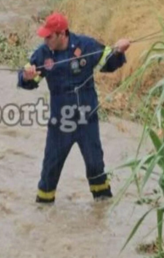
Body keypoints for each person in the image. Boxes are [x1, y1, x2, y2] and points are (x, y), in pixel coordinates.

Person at [18, 13, 130, 203]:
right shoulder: (43, 54)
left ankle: (102, 209)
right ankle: (43, 211)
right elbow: (25, 80)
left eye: (49, 36)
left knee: (96, 166)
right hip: (60, 122)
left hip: (88, 119)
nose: (45, 40)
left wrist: (118, 51)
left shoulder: (85, 45)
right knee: (50, 169)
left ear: (62, 34)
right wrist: (27, 77)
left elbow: (108, 63)